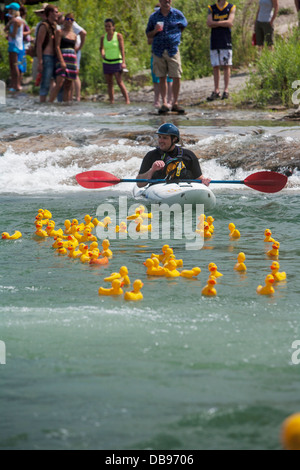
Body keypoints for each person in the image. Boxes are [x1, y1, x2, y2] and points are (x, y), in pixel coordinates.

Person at [136, 123, 211, 188]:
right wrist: (152, 170)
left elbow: (198, 178)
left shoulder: (188, 155)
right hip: (158, 190)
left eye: (165, 138)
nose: (160, 141)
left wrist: (204, 181)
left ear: (174, 139)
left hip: (184, 189)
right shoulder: (151, 155)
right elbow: (139, 183)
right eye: (159, 137)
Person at [146, 0, 187, 114]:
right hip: (158, 50)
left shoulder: (177, 14)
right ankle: (164, 102)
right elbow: (148, 34)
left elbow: (183, 25)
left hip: (173, 49)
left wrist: (175, 36)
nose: (166, 1)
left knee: (176, 75)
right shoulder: (154, 17)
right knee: (161, 76)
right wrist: (155, 30)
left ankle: (175, 102)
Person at [206, 0, 236, 101]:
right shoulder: (212, 8)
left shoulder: (231, 7)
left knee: (226, 65)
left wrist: (216, 23)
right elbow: (209, 23)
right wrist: (223, 23)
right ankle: (216, 90)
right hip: (214, 40)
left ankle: (226, 90)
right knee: (215, 66)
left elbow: (230, 22)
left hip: (226, 40)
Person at [99, 18, 130, 105]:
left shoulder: (118, 36)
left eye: (109, 26)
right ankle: (111, 101)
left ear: (113, 27)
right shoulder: (103, 37)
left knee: (119, 81)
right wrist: (102, 53)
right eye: (106, 26)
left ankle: (127, 100)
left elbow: (122, 49)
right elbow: (101, 48)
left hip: (117, 61)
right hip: (107, 61)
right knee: (109, 83)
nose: (107, 28)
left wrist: (123, 62)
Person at [49, 13, 78, 103]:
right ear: (64, 20)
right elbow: (57, 47)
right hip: (62, 58)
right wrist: (61, 61)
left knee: (68, 85)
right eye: (68, 19)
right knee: (59, 82)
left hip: (72, 60)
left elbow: (74, 49)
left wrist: (76, 65)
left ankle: (65, 105)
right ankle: (50, 103)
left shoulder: (74, 35)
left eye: (71, 20)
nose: (69, 21)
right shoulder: (59, 32)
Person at [36, 4, 59, 102]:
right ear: (50, 13)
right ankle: (42, 103)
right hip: (47, 57)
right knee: (45, 82)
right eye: (56, 12)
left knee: (56, 81)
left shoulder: (54, 26)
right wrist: (40, 61)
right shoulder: (44, 26)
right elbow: (39, 44)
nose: (57, 14)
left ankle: (52, 102)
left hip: (54, 57)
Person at [4, 2, 24, 92]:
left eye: (10, 10)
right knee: (13, 65)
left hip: (14, 45)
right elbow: (6, 28)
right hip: (14, 44)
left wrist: (8, 33)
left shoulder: (16, 21)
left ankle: (16, 85)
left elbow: (13, 35)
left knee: (14, 65)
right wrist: (9, 23)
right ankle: (14, 84)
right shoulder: (15, 20)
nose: (9, 11)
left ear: (13, 11)